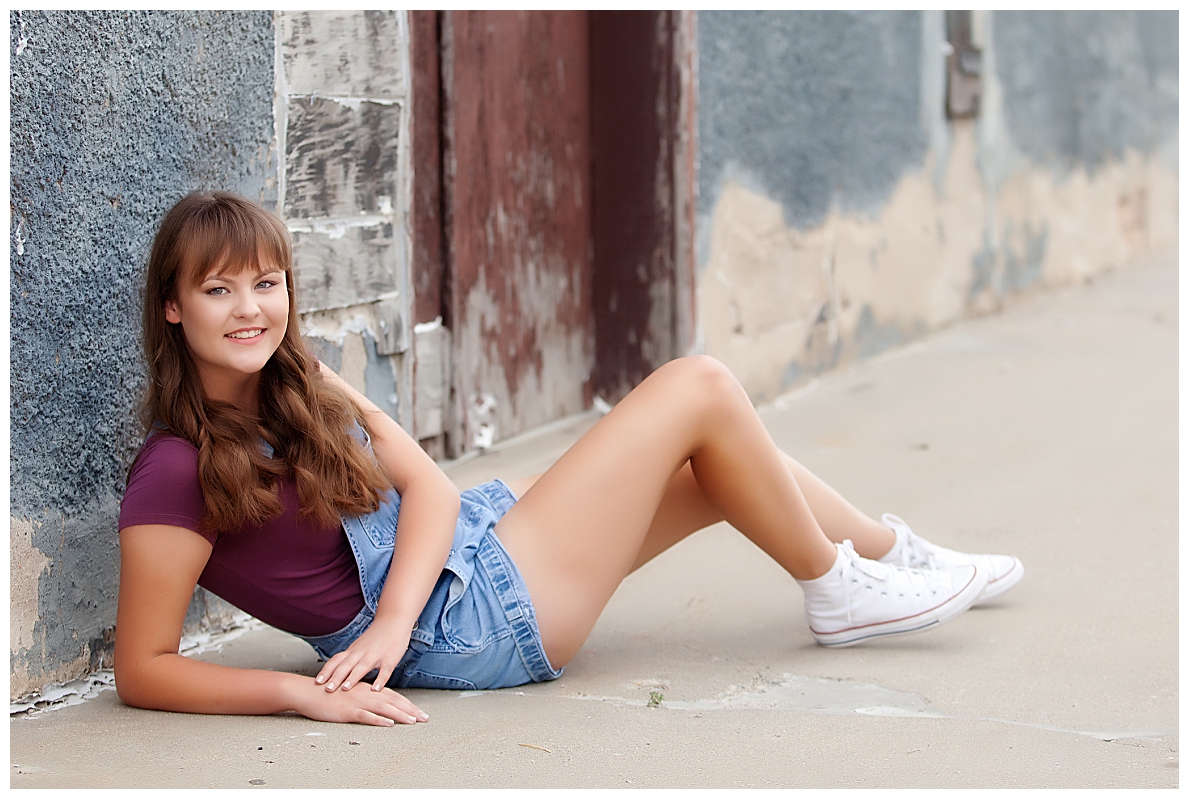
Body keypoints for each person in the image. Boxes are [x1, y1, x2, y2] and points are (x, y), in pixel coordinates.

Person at [115, 191, 1023, 728]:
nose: (250, 309)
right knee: (698, 385)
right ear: (173, 308)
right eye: (218, 288)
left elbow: (428, 485)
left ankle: (883, 557)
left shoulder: (301, 380)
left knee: (716, 461)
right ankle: (837, 587)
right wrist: (300, 690)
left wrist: (388, 617)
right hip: (458, 630)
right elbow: (143, 666)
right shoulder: (172, 472)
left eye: (266, 283)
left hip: (451, 568)